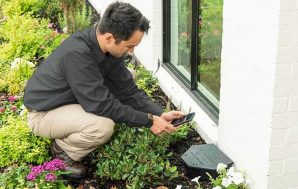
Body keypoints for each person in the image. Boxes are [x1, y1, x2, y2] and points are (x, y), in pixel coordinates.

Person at [24, 1, 184, 179]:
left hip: (71, 99)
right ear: (109, 37)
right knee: (102, 126)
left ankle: (70, 131)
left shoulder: (107, 49)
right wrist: (147, 121)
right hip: (45, 113)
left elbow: (127, 90)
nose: (131, 52)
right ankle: (63, 152)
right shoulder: (77, 54)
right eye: (129, 46)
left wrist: (159, 113)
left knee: (128, 75)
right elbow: (101, 105)